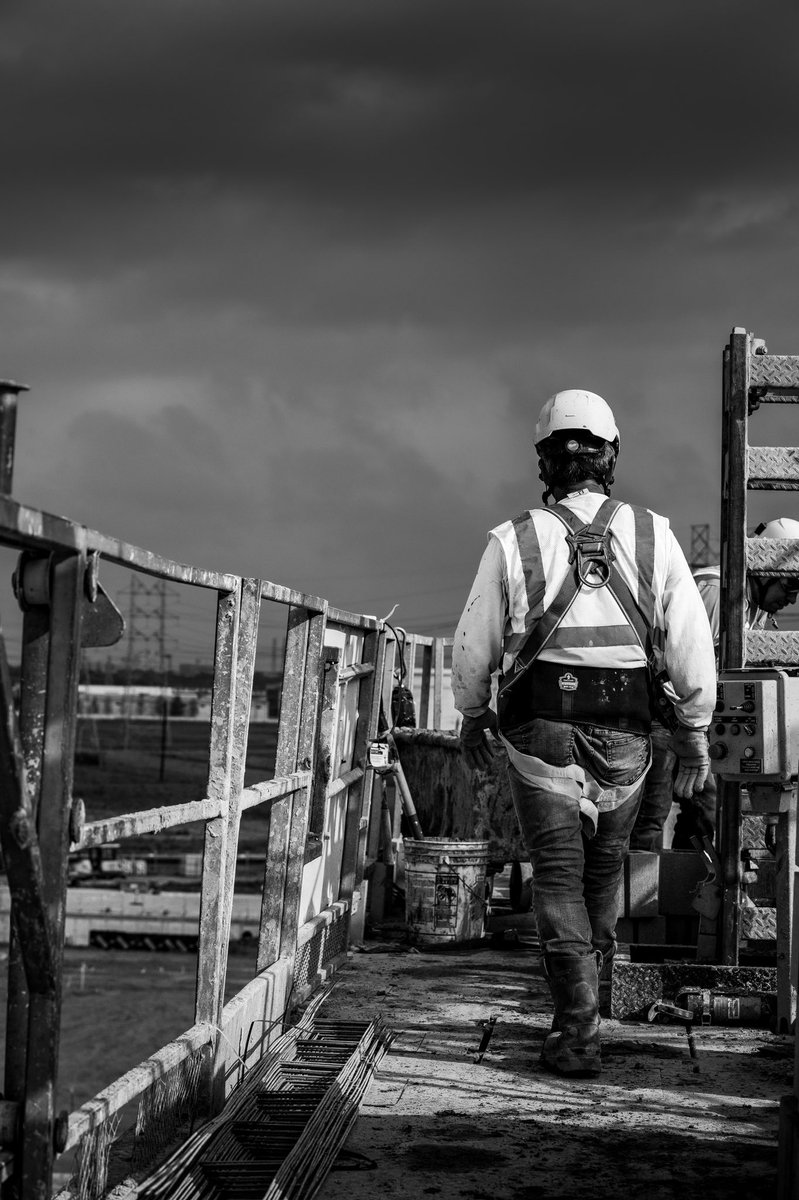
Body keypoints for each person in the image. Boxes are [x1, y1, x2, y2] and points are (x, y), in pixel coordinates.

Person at [451, 389, 716, 1079]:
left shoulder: (512, 540)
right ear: (611, 456)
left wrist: (472, 711)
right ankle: (585, 1013)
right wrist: (692, 733)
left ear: (544, 460)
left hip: (539, 730)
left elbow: (474, 642)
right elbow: (690, 647)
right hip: (627, 728)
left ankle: (575, 1029)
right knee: (601, 874)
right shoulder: (655, 536)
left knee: (558, 878)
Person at [630, 517, 799, 851]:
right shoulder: (716, 591)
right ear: (765, 573)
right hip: (663, 714)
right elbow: (679, 664)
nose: (792, 600)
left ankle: (686, 893)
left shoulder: (754, 609)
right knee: (653, 812)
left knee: (704, 812)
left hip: (700, 720)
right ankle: (636, 896)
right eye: (790, 588)